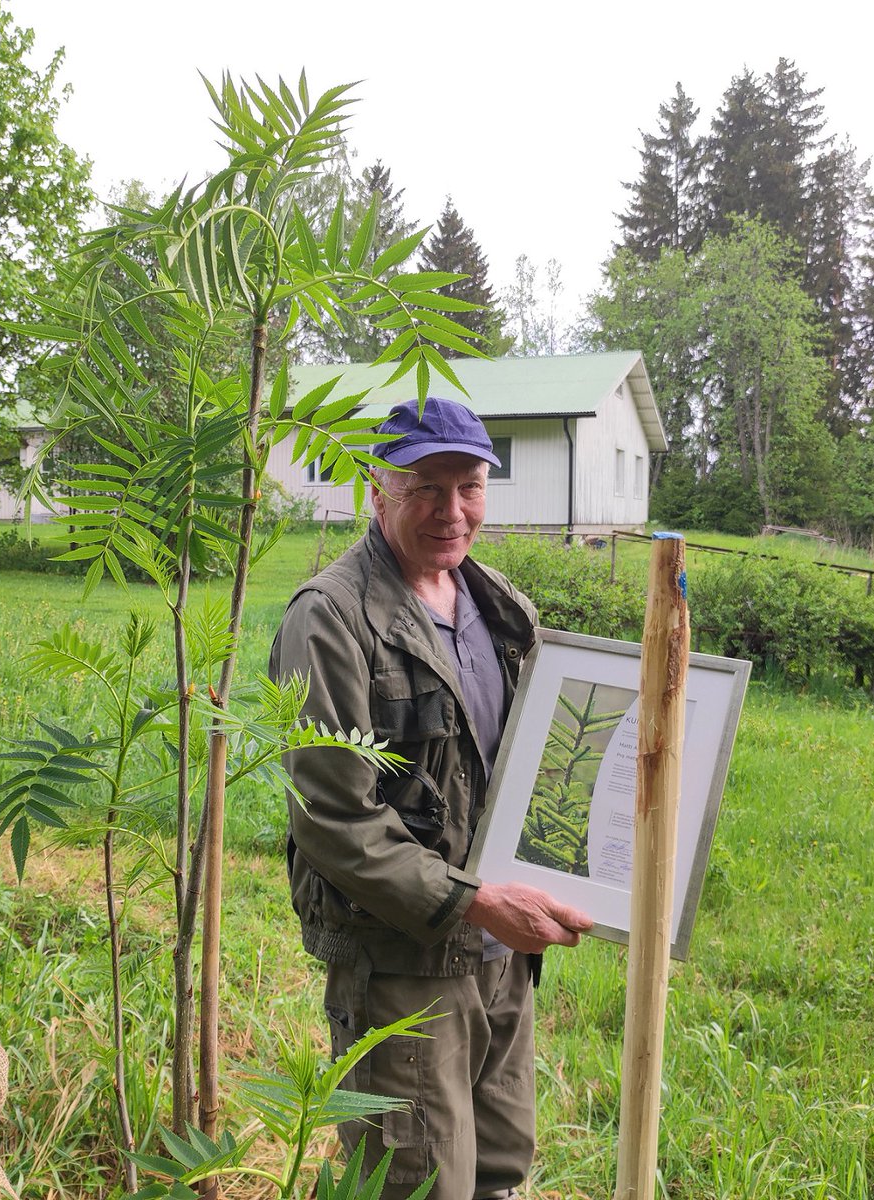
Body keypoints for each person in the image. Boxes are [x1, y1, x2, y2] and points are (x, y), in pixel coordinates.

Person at [269, 396, 593, 1200]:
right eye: (426, 487)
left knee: (498, 1167)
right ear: (377, 490)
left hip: (501, 959)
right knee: (414, 1181)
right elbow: (335, 820)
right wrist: (477, 902)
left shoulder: (501, 606)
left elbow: (541, 759)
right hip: (403, 962)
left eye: (471, 487)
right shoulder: (331, 620)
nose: (453, 512)